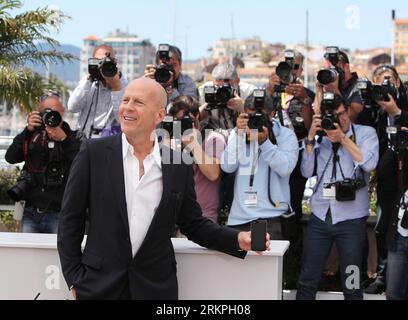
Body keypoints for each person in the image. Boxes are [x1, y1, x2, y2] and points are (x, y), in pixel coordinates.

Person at [57, 77, 269, 300]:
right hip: (97, 288)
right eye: (125, 100)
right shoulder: (93, 153)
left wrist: (237, 239)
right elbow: (71, 219)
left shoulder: (177, 165)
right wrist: (74, 279)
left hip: (155, 289)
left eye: (138, 102)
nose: (127, 107)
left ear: (159, 115)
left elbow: (193, 224)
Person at [297, 94, 379, 300]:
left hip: (351, 220)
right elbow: (307, 172)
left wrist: (342, 138)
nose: (339, 120)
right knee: (308, 279)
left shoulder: (365, 133)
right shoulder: (320, 137)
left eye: (342, 114)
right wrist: (310, 138)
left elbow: (368, 164)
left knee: (351, 283)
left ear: (348, 110)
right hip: (320, 216)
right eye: (333, 116)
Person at [221, 91, 299, 238]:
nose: (255, 121)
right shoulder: (239, 133)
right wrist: (238, 135)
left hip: (272, 218)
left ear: (272, 114)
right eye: (251, 116)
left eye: (260, 116)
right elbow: (227, 167)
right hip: (239, 218)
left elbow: (285, 168)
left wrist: (265, 143)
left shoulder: (285, 135)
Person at [5, 92, 84, 234]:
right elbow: (11, 157)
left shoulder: (74, 137)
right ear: (38, 114)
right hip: (31, 212)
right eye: (45, 113)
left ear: (63, 112)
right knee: (28, 254)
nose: (50, 117)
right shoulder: (32, 136)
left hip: (60, 214)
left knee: (57, 255)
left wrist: (64, 140)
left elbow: (81, 166)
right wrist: (27, 131)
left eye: (54, 112)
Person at [365, 65, 408, 294]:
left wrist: (396, 111)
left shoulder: (404, 104)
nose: (386, 87)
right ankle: (383, 276)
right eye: (381, 83)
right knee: (383, 229)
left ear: (399, 83)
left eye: (390, 81)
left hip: (406, 179)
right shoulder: (375, 110)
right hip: (387, 179)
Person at [168, 96, 226, 223]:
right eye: (178, 121)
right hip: (174, 216)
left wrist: (194, 144)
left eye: (187, 120)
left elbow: (213, 174)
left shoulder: (213, 138)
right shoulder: (173, 141)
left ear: (197, 116)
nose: (183, 125)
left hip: (202, 217)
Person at [68, 44, 128, 139]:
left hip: (107, 143)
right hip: (84, 140)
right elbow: (72, 108)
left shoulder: (122, 84)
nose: (102, 65)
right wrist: (89, 79)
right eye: (99, 62)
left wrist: (116, 88)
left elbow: (122, 119)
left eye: (107, 62)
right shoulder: (88, 82)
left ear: (115, 62)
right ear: (93, 62)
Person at [198, 62, 257, 132]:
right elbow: (194, 119)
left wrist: (244, 107)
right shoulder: (205, 90)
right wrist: (207, 105)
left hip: (243, 136)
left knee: (255, 133)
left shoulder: (248, 92)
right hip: (214, 137)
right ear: (213, 81)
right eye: (218, 87)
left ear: (237, 81)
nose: (222, 92)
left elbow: (263, 120)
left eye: (227, 87)